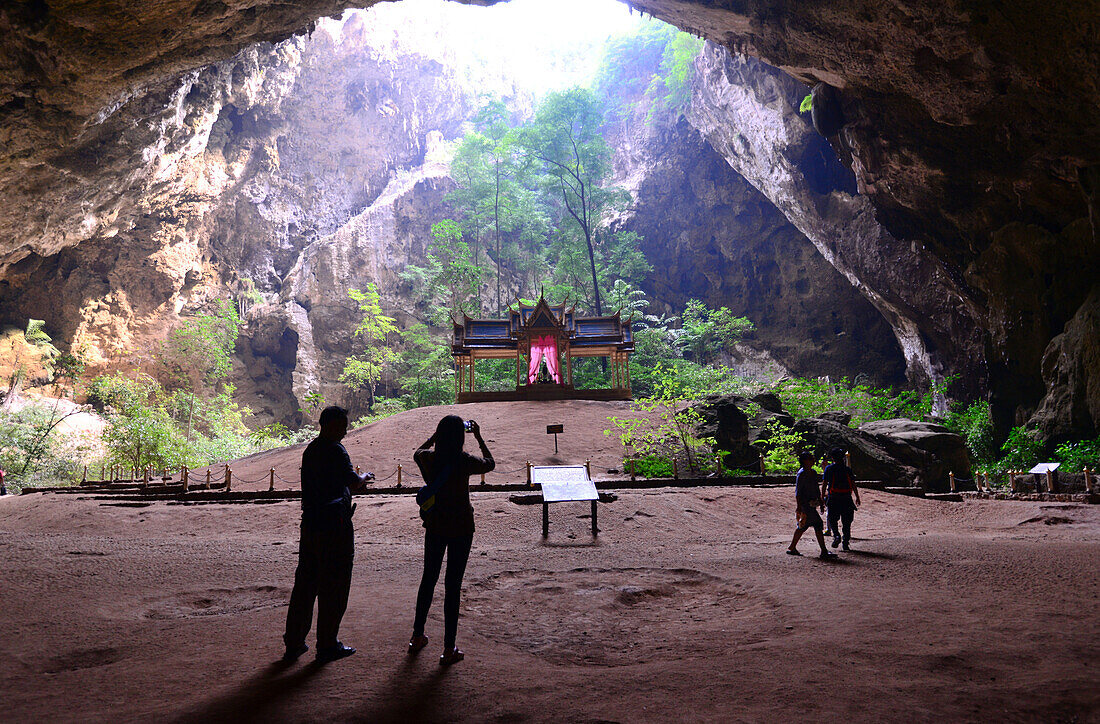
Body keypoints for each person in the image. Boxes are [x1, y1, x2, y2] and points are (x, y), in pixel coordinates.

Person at [283, 405, 374, 664]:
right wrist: (364, 477)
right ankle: (327, 643)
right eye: (343, 426)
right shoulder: (336, 449)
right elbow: (352, 481)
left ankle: (294, 641)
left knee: (306, 583)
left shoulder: (311, 450)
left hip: (311, 523)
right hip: (334, 525)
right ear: (333, 425)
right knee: (334, 584)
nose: (345, 431)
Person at [409, 415, 494, 666]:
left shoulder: (430, 458)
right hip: (461, 526)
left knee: (428, 579)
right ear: (462, 436)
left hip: (435, 525)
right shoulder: (464, 460)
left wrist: (435, 438)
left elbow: (417, 452)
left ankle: (417, 636)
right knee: (452, 585)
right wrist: (478, 436)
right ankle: (448, 648)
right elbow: (490, 463)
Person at [786, 451, 835, 559]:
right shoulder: (802, 474)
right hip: (805, 504)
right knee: (816, 524)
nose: (813, 459)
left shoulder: (812, 472)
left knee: (803, 526)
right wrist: (799, 506)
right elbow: (798, 492)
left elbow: (816, 488)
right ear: (804, 461)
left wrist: (820, 502)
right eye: (810, 458)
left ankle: (792, 547)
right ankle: (823, 551)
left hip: (811, 504)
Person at [821, 447, 860, 551]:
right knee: (847, 522)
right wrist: (857, 497)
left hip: (833, 497)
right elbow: (853, 484)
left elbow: (824, 484)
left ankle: (836, 535)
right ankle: (845, 543)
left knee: (832, 519)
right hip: (846, 498)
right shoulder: (847, 469)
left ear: (832, 458)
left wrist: (822, 497)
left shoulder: (829, 469)